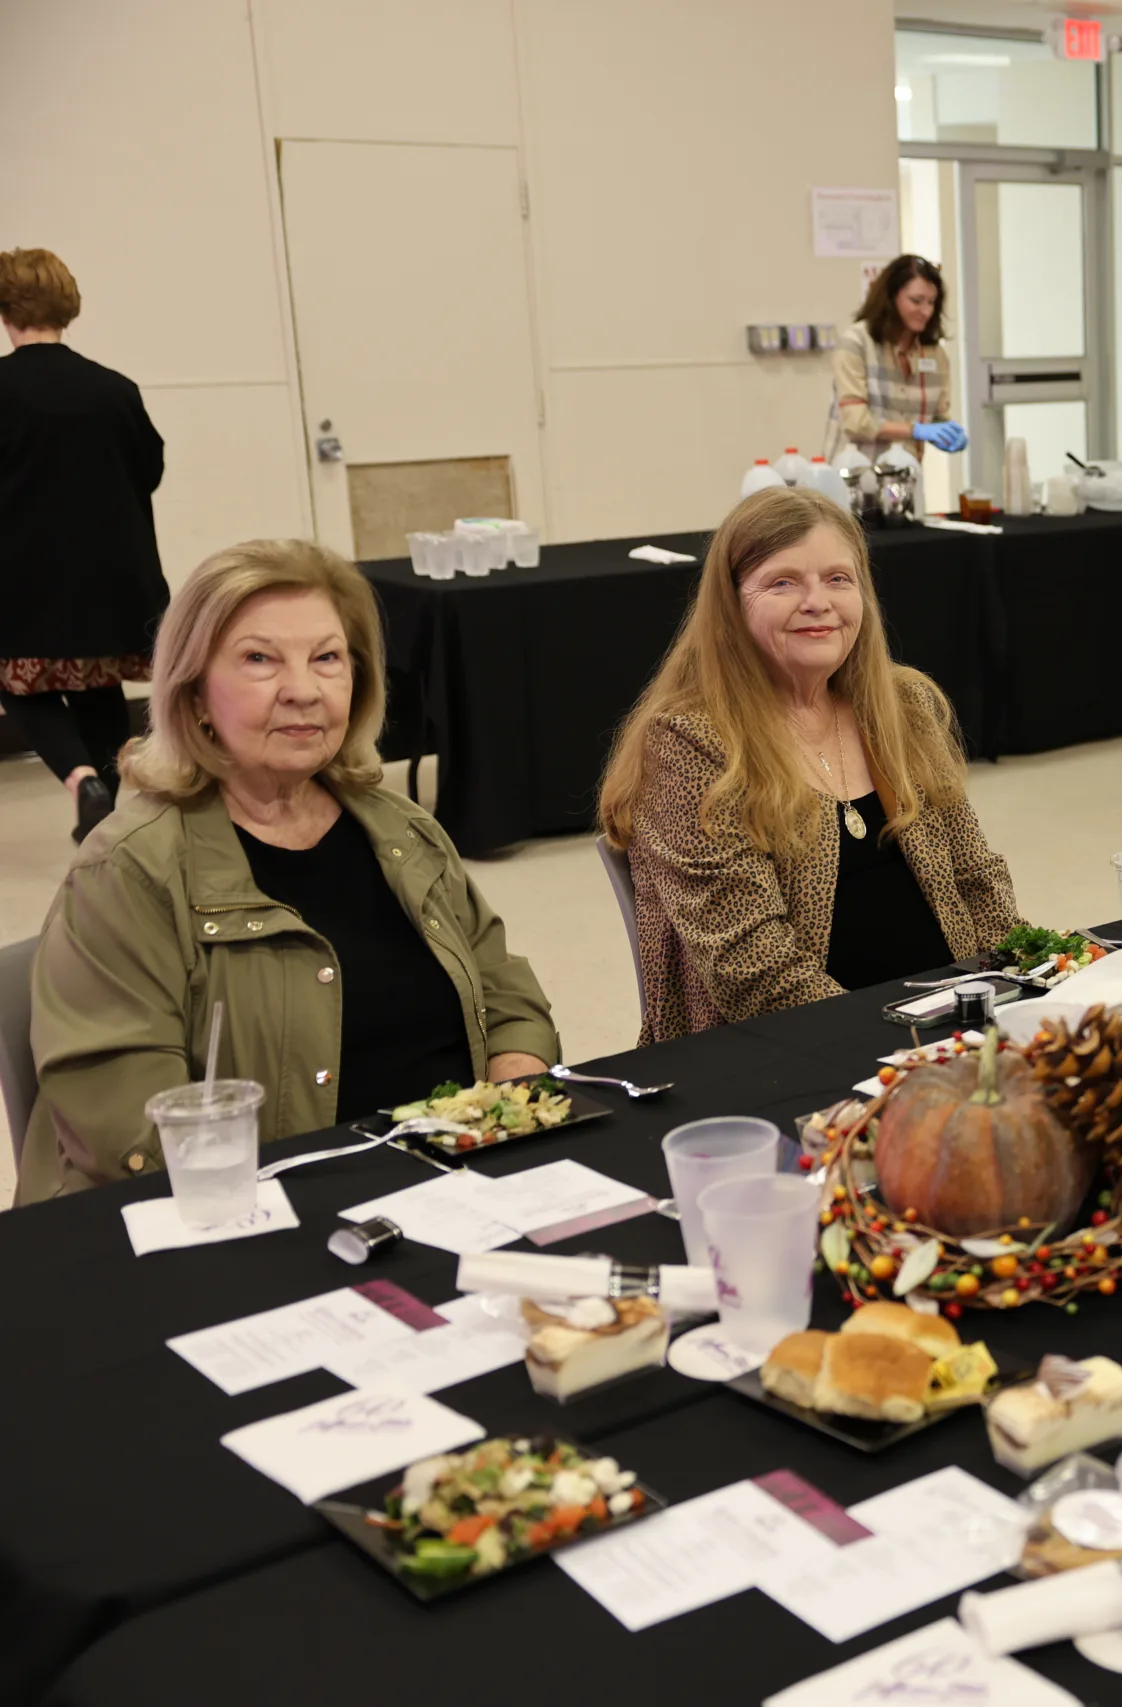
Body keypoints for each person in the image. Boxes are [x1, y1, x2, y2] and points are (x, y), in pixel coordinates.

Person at [16, 540, 558, 1201]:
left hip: (449, 1186)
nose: (303, 690)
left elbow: (508, 999)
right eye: (259, 659)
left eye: (327, 658)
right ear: (194, 693)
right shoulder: (127, 870)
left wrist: (507, 1116)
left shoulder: (401, 829)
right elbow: (127, 1133)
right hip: (240, 1213)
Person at [598, 487, 1017, 1044]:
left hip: (953, 1024)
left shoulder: (903, 706)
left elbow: (977, 879)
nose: (817, 601)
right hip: (792, 1050)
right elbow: (752, 968)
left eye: (838, 579)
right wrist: (900, 1044)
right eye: (783, 582)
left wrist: (1021, 988)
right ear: (731, 604)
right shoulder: (691, 744)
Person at [0, 248, 167, 843]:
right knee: (98, 685)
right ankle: (107, 813)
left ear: (5, 311)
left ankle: (82, 780)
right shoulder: (115, 390)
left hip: (24, 581)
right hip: (115, 580)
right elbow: (149, 471)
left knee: (15, 683)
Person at [831, 254, 968, 464]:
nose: (926, 311)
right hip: (856, 473)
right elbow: (855, 421)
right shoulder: (857, 343)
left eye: (932, 302)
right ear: (891, 298)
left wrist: (950, 432)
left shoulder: (936, 355)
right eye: (916, 301)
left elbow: (937, 416)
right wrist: (915, 430)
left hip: (905, 473)